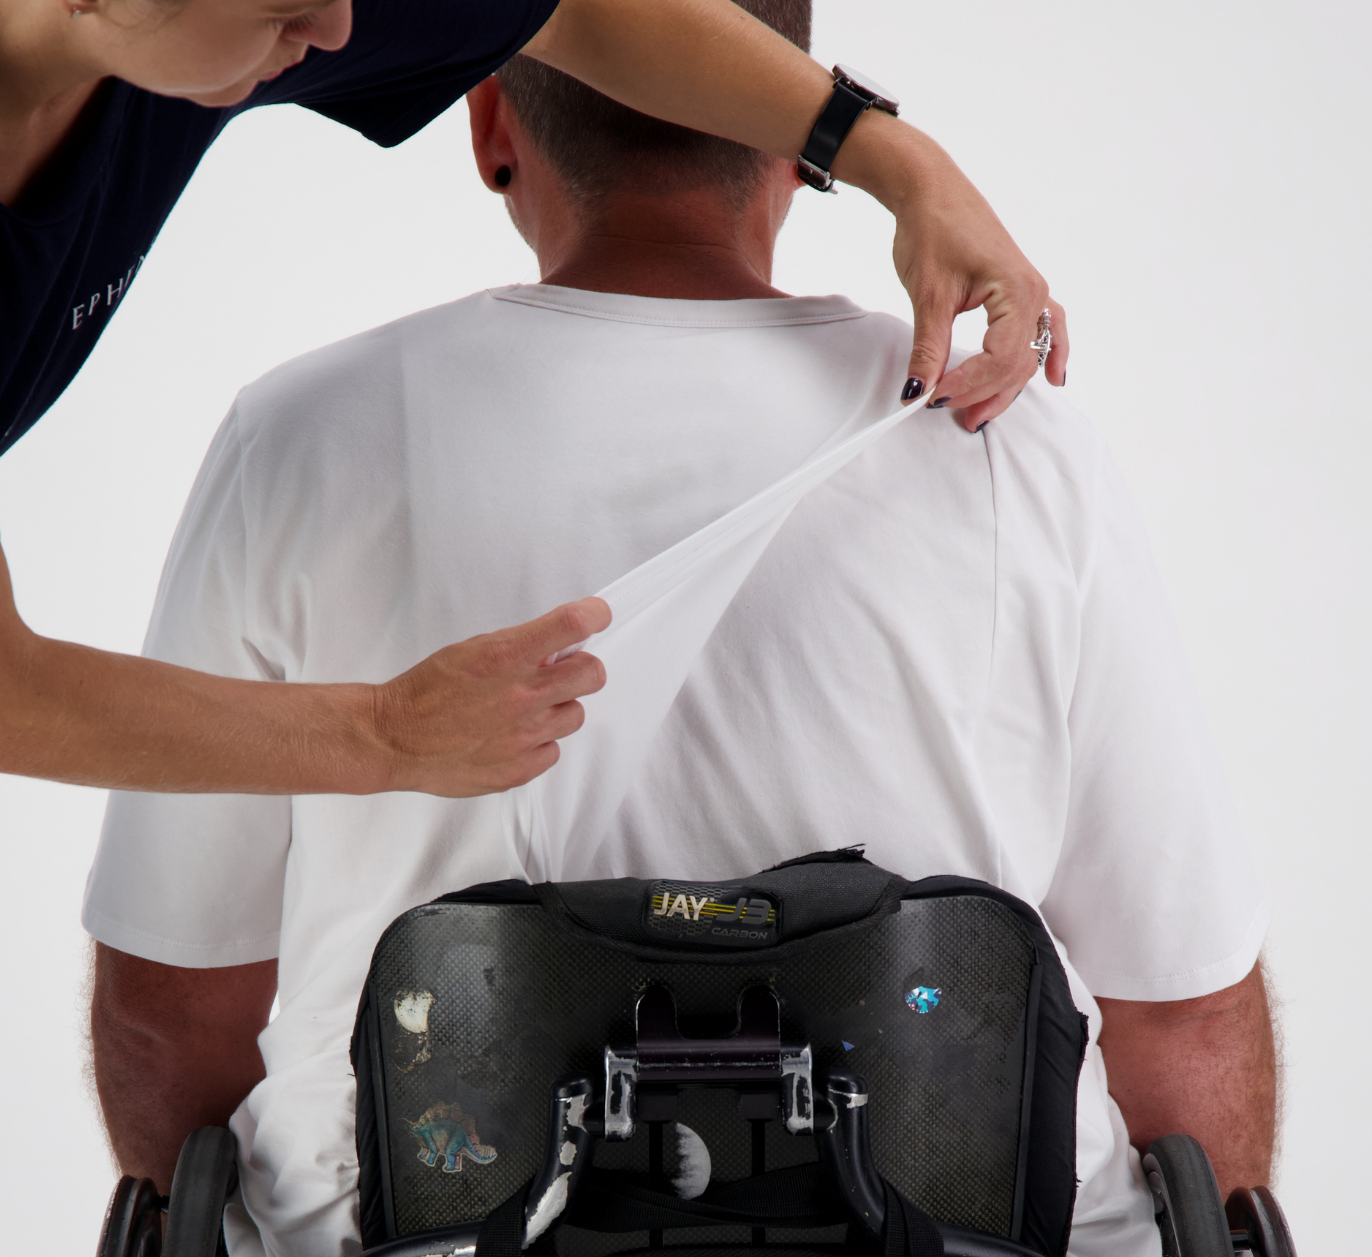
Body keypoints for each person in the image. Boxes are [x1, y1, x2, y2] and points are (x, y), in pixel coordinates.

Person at [83, 0, 1271, 1257]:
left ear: (486, 125)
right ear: (782, 148)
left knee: (375, 1223)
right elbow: (1184, 1042)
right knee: (988, 1239)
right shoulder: (1010, 455)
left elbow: (175, 1025)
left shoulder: (299, 434)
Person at [3, 0, 1064, 797]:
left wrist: (902, 163)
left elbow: (571, 11)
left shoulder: (185, 26)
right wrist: (383, 734)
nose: (335, 25)